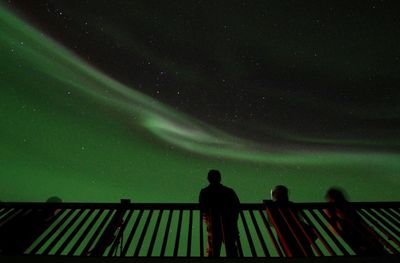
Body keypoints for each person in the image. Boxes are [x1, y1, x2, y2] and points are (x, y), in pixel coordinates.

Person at [325, 188, 386, 255]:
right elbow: (359, 222)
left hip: (357, 234)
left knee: (372, 249)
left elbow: (359, 221)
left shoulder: (340, 208)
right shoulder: (339, 209)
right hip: (355, 234)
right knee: (373, 249)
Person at [199, 170, 240, 257]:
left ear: (208, 179)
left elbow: (203, 209)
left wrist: (207, 220)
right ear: (220, 178)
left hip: (212, 225)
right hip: (229, 225)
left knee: (212, 250)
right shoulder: (229, 191)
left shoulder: (204, 192)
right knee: (231, 249)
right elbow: (236, 207)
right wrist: (233, 221)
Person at [266, 185, 315, 257]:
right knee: (305, 251)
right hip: (298, 233)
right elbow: (300, 219)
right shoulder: (291, 205)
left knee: (292, 252)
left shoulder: (271, 207)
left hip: (285, 234)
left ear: (273, 195)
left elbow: (271, 223)